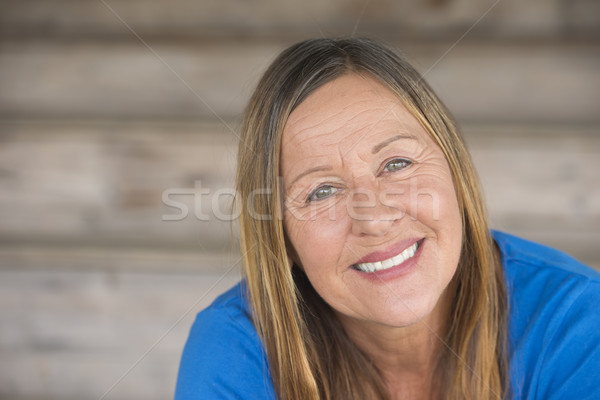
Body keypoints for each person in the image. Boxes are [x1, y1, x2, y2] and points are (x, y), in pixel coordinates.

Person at [175, 38, 600, 399]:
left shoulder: (576, 320)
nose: (374, 219)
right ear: (281, 237)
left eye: (396, 163)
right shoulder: (234, 349)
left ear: (454, 169)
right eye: (321, 191)